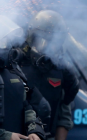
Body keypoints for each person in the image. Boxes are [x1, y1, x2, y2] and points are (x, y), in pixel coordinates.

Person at [13, 10, 79, 140]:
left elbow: (64, 114)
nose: (48, 47)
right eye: (43, 41)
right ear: (32, 37)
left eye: (54, 42)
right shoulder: (15, 62)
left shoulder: (61, 70)